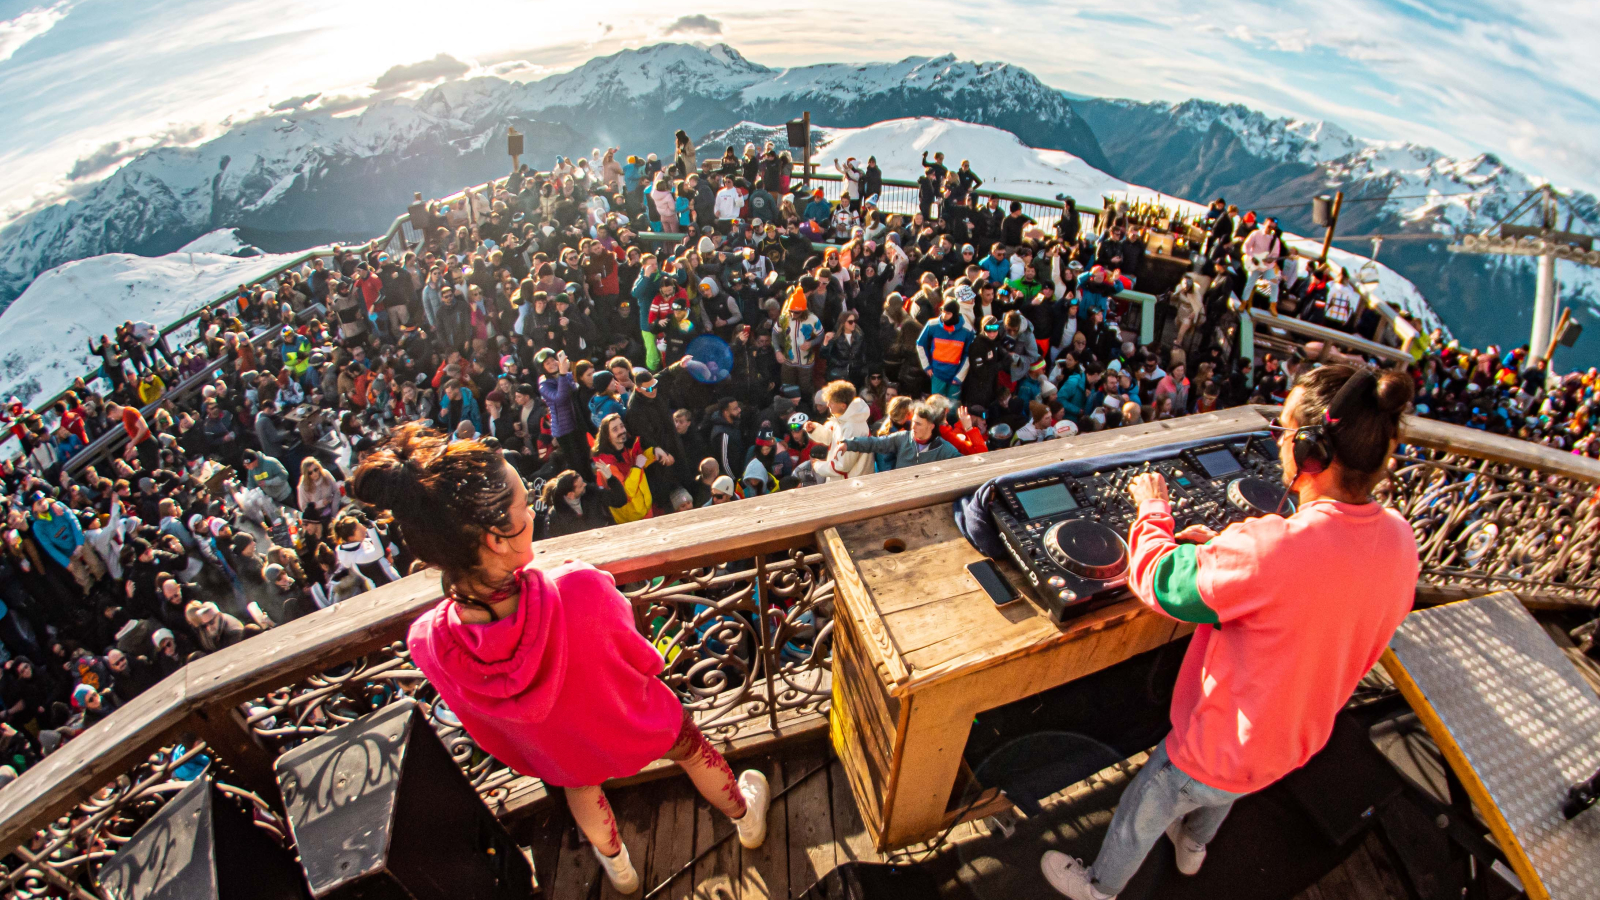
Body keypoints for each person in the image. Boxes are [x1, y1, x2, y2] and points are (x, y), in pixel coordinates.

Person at [1042, 365, 1419, 899]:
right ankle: (1192, 849)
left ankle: (1098, 887)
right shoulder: (1401, 541)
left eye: (1283, 432)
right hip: (1288, 742)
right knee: (1224, 795)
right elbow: (1309, 594)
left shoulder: (1273, 550)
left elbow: (1160, 582)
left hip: (1211, 747)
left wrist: (1153, 510)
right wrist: (1225, 552)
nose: (1279, 443)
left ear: (1309, 453)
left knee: (1143, 808)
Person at [351, 425, 770, 894]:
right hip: (630, 721)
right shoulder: (579, 588)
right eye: (524, 506)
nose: (533, 512)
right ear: (496, 538)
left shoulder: (426, 640)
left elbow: (479, 723)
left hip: (559, 752)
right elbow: (643, 659)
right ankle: (745, 818)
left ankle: (620, 870)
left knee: (580, 787)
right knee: (692, 749)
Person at [841, 402, 961, 469]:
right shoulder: (903, 437)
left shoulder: (943, 448)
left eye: (918, 424)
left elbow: (963, 462)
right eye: (913, 422)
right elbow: (876, 443)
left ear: (931, 426)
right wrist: (848, 444)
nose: (913, 427)